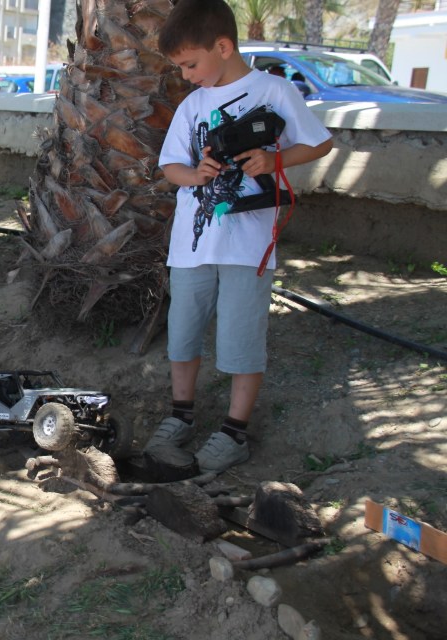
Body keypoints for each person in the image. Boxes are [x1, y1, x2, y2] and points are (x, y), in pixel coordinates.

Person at [146, 0, 332, 473]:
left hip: (249, 246)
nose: (186, 76)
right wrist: (196, 173)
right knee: (183, 334)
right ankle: (181, 415)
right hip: (191, 247)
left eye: (191, 64)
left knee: (241, 336)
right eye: (181, 67)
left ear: (223, 46)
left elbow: (321, 141)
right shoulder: (193, 104)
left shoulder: (274, 90)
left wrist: (274, 161)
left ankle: (234, 431)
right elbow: (170, 166)